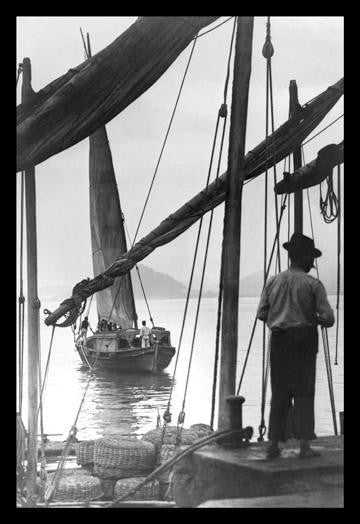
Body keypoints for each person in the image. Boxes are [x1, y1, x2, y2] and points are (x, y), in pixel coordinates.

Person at [256, 233, 335, 460]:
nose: (312, 262)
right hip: (304, 341)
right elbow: (328, 318)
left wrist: (281, 315)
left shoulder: (273, 281)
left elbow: (262, 314)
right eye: (311, 257)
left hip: (279, 341)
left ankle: (273, 445)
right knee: (304, 392)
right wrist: (313, 317)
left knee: (279, 392)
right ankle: (304, 445)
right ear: (302, 257)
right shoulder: (313, 284)